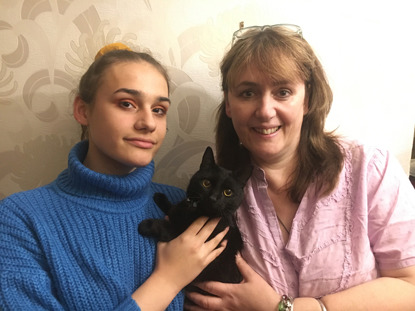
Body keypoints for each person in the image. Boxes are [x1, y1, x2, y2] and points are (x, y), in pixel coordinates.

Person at [185, 24, 415, 310]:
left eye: (282, 92)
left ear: (307, 100)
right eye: (247, 93)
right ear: (229, 104)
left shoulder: (369, 169)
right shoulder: (216, 196)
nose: (265, 111)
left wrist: (283, 309)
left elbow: (411, 285)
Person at [0, 43, 229, 310]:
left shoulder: (180, 204)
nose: (149, 123)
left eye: (159, 109)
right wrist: (167, 281)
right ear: (83, 110)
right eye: (127, 104)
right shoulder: (22, 218)